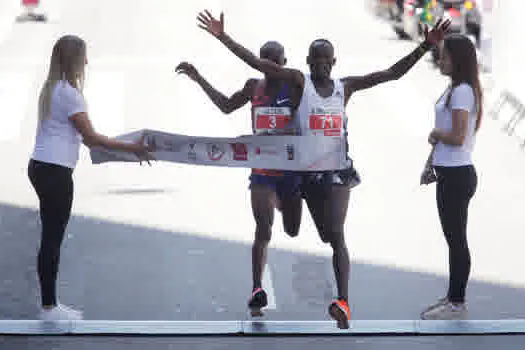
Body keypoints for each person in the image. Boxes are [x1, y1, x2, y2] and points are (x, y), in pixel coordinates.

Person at [195, 10, 450, 328]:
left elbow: (391, 74)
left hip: (337, 173)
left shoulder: (347, 87)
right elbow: (260, 65)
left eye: (325, 59)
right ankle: (285, 221)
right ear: (307, 61)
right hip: (303, 174)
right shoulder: (300, 84)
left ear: (334, 61)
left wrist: (425, 47)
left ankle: (343, 301)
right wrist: (222, 37)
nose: (320, 64)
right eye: (315, 59)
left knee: (337, 236)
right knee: (294, 229)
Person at [29, 35, 154, 321]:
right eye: (84, 56)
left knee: (50, 237)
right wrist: (134, 148)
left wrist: (124, 151)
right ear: (75, 59)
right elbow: (92, 138)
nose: (87, 61)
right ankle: (49, 308)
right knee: (52, 239)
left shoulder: (52, 89)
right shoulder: (70, 94)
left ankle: (49, 305)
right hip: (55, 172)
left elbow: (86, 140)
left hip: (41, 166)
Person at [175, 41, 303, 316]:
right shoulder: (252, 87)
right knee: (263, 229)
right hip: (262, 172)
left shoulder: (294, 86)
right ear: (259, 61)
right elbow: (225, 105)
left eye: (275, 60)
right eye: (265, 60)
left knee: (292, 229)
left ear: (284, 61)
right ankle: (257, 289)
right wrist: (199, 79)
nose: (270, 65)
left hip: (290, 173)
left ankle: (281, 201)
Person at [419, 34, 482, 320]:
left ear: (458, 60)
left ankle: (457, 303)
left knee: (457, 240)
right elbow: (447, 133)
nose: (440, 59)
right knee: (453, 238)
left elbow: (455, 136)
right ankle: (453, 297)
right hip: (449, 172)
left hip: (458, 175)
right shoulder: (454, 89)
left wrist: (435, 135)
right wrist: (430, 163)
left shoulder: (463, 92)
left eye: (444, 56)